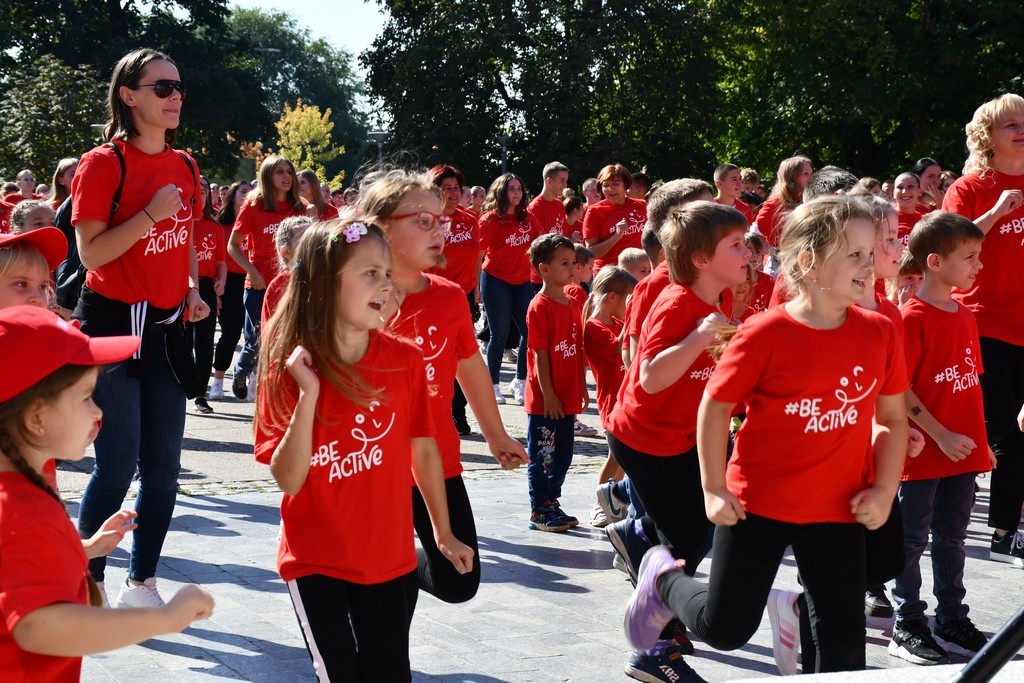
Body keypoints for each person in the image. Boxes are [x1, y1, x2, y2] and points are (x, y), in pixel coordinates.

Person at [623, 196, 908, 675]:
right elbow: (714, 410)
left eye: (871, 251)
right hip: (756, 503)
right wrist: (713, 488)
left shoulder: (880, 332)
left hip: (839, 508)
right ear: (807, 262)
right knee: (725, 628)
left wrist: (883, 487)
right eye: (854, 254)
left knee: (844, 650)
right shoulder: (763, 333)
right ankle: (663, 578)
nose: (869, 265)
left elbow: (893, 418)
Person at [254, 218, 473, 681]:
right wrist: (309, 395)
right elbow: (288, 478)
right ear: (323, 283)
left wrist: (442, 532)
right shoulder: (287, 366)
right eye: (369, 272)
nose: (386, 285)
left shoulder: (405, 359)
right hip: (316, 562)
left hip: (390, 560)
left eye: (387, 272)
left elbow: (424, 451)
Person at [0, 306, 215, 681]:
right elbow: (37, 625)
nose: (99, 412)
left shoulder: (17, 495)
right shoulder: (25, 512)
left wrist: (85, 549)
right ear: (36, 418)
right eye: (86, 397)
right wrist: (162, 618)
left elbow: (16, 567)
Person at [71, 47, 210, 608]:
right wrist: (150, 214)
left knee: (164, 469)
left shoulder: (187, 165)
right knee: (117, 462)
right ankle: (88, 574)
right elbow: (91, 252)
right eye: (162, 88)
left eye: (178, 87)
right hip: (111, 326)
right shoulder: (104, 163)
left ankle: (142, 580)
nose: (175, 96)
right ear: (128, 96)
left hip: (169, 329)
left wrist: (194, 288)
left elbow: (190, 241)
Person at [358, 169, 527, 605]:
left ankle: (405, 559)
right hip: (372, 463)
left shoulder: (450, 295)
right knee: (374, 588)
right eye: (424, 221)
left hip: (437, 458)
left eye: (442, 220)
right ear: (382, 227)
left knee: (458, 582)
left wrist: (495, 434)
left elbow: (469, 367)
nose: (442, 231)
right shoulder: (354, 296)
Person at [887, 211, 992, 666]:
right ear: (934, 261)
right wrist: (942, 435)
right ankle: (908, 622)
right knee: (910, 540)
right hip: (924, 454)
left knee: (952, 539)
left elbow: (970, 384)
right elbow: (901, 388)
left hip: (963, 453)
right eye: (969, 257)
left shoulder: (966, 315)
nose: (978, 266)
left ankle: (952, 617)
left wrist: (978, 443)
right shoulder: (912, 317)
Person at [942, 93, 1024, 566]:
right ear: (987, 137)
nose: (1019, 129)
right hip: (981, 320)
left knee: (1022, 432)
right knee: (1002, 430)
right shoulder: (972, 186)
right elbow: (951, 245)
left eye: (1023, 122)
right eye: (1008, 123)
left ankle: (1006, 531)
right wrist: (996, 211)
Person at [227, 155, 306, 402]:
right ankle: (241, 371)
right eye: (279, 171)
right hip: (259, 286)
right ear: (267, 176)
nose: (286, 176)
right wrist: (252, 271)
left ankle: (276, 391)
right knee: (258, 341)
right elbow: (233, 246)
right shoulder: (254, 206)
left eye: (289, 172)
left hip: (292, 285)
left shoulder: (300, 207)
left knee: (288, 339)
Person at [523, 233, 587, 531]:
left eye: (573, 262)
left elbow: (576, 347)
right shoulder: (540, 305)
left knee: (563, 454)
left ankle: (552, 500)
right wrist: (548, 394)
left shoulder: (573, 300)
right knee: (543, 454)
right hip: (546, 400)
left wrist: (581, 386)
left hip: (567, 395)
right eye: (564, 263)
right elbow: (540, 354)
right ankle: (540, 509)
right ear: (543, 268)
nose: (572, 268)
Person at [620, 179, 714, 369]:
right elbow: (634, 361)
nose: (720, 220)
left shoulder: (717, 275)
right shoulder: (654, 285)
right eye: (706, 214)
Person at [425, 165, 482, 434]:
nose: (452, 193)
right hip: (431, 297)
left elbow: (477, 256)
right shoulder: (425, 220)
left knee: (461, 356)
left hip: (464, 297)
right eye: (446, 188)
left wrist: (477, 288)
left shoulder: (470, 219)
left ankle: (458, 413)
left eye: (456, 188)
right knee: (435, 356)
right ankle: (432, 411)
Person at [479, 173, 541, 405]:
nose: (516, 192)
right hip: (496, 280)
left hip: (523, 281)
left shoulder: (529, 218)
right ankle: (493, 383)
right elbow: (478, 253)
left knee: (529, 332)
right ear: (501, 192)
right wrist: (475, 286)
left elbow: (540, 244)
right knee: (499, 334)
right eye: (511, 188)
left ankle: (520, 380)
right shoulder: (491, 219)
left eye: (519, 188)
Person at [582, 266, 637, 527]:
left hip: (625, 400)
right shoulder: (594, 328)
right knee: (615, 456)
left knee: (624, 456)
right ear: (612, 298)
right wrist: (637, 317)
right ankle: (599, 503)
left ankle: (615, 500)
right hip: (610, 401)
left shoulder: (616, 323)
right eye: (629, 299)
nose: (631, 306)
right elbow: (618, 346)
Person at [208, 180, 251, 400]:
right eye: (243, 191)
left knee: (254, 335)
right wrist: (217, 291)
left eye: (250, 192)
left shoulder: (255, 221)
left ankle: (249, 378)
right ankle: (218, 380)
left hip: (252, 279)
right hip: (227, 283)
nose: (247, 194)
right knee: (230, 332)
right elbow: (215, 260)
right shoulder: (219, 224)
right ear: (232, 195)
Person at [191, 177, 227, 414]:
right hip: (177, 286)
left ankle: (200, 394)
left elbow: (221, 262)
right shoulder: (178, 223)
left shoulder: (213, 226)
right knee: (181, 341)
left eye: (204, 190)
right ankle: (176, 389)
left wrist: (221, 282)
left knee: (205, 342)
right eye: (197, 190)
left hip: (205, 287)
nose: (201, 194)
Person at [582, 164, 648, 273]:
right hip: (611, 274)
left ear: (625, 185)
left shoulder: (643, 206)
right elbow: (591, 252)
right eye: (605, 185)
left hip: (641, 273)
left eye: (616, 184)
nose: (610, 189)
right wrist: (616, 236)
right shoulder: (595, 211)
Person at [260, 215, 313, 327]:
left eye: (314, 239)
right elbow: (272, 336)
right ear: (286, 252)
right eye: (304, 241)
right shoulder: (279, 286)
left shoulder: (328, 276)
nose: (313, 245)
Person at [751, 155, 812, 249]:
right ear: (792, 177)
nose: (811, 177)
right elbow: (754, 233)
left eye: (811, 173)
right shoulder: (774, 203)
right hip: (783, 260)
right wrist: (774, 252)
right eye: (806, 173)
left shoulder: (811, 199)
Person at [527, 162, 571, 291]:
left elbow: (564, 235)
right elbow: (539, 244)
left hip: (560, 271)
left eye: (566, 180)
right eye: (562, 180)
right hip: (542, 276)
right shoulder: (535, 207)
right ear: (549, 181)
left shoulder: (559, 205)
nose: (565, 185)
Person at [894, 172, 928, 246]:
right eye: (900, 187)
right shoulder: (885, 219)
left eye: (910, 186)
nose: (905, 191)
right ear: (894, 193)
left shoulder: (925, 222)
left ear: (920, 191)